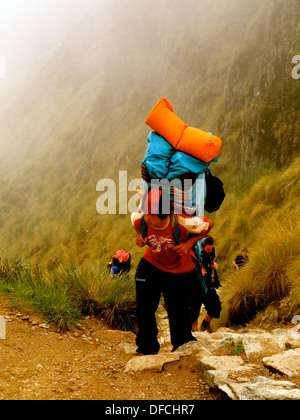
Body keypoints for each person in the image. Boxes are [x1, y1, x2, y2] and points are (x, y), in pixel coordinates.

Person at [131, 187, 214, 355]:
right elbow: (135, 221)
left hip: (180, 268)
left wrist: (188, 244)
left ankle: (181, 343)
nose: (146, 217)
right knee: (144, 307)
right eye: (145, 213)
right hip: (152, 263)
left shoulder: (182, 222)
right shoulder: (141, 219)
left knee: (179, 308)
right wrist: (140, 237)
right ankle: (147, 347)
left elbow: (208, 224)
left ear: (162, 214)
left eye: (150, 214)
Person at [191, 236, 222, 333]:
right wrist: (198, 272)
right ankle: (193, 331)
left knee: (216, 305)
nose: (210, 250)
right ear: (202, 247)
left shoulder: (211, 250)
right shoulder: (195, 252)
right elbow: (188, 266)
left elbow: (212, 259)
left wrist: (214, 264)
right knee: (194, 309)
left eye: (211, 248)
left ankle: (205, 325)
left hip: (209, 282)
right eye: (208, 249)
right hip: (196, 283)